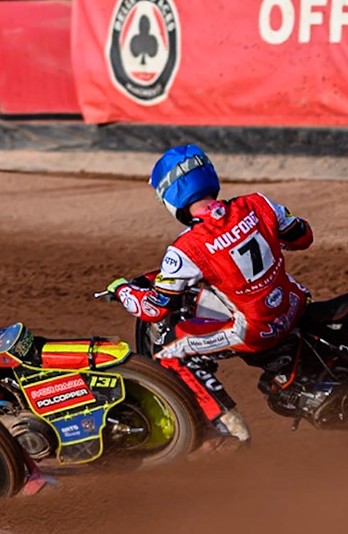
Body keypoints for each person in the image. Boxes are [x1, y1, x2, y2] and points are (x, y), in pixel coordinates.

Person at [107, 145, 314, 444]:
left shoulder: (186, 248)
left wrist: (122, 289)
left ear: (171, 195)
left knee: (170, 354)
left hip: (257, 331)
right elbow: (303, 237)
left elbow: (154, 310)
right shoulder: (257, 203)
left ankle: (228, 428)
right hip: (295, 302)